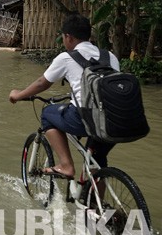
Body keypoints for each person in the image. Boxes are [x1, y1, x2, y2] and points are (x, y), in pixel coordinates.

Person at [8, 14, 119, 183]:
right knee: (96, 160)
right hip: (114, 120)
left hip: (86, 119)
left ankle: (66, 165)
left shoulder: (67, 57)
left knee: (47, 114)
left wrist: (18, 95)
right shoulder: (110, 56)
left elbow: (41, 84)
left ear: (68, 37)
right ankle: (96, 206)